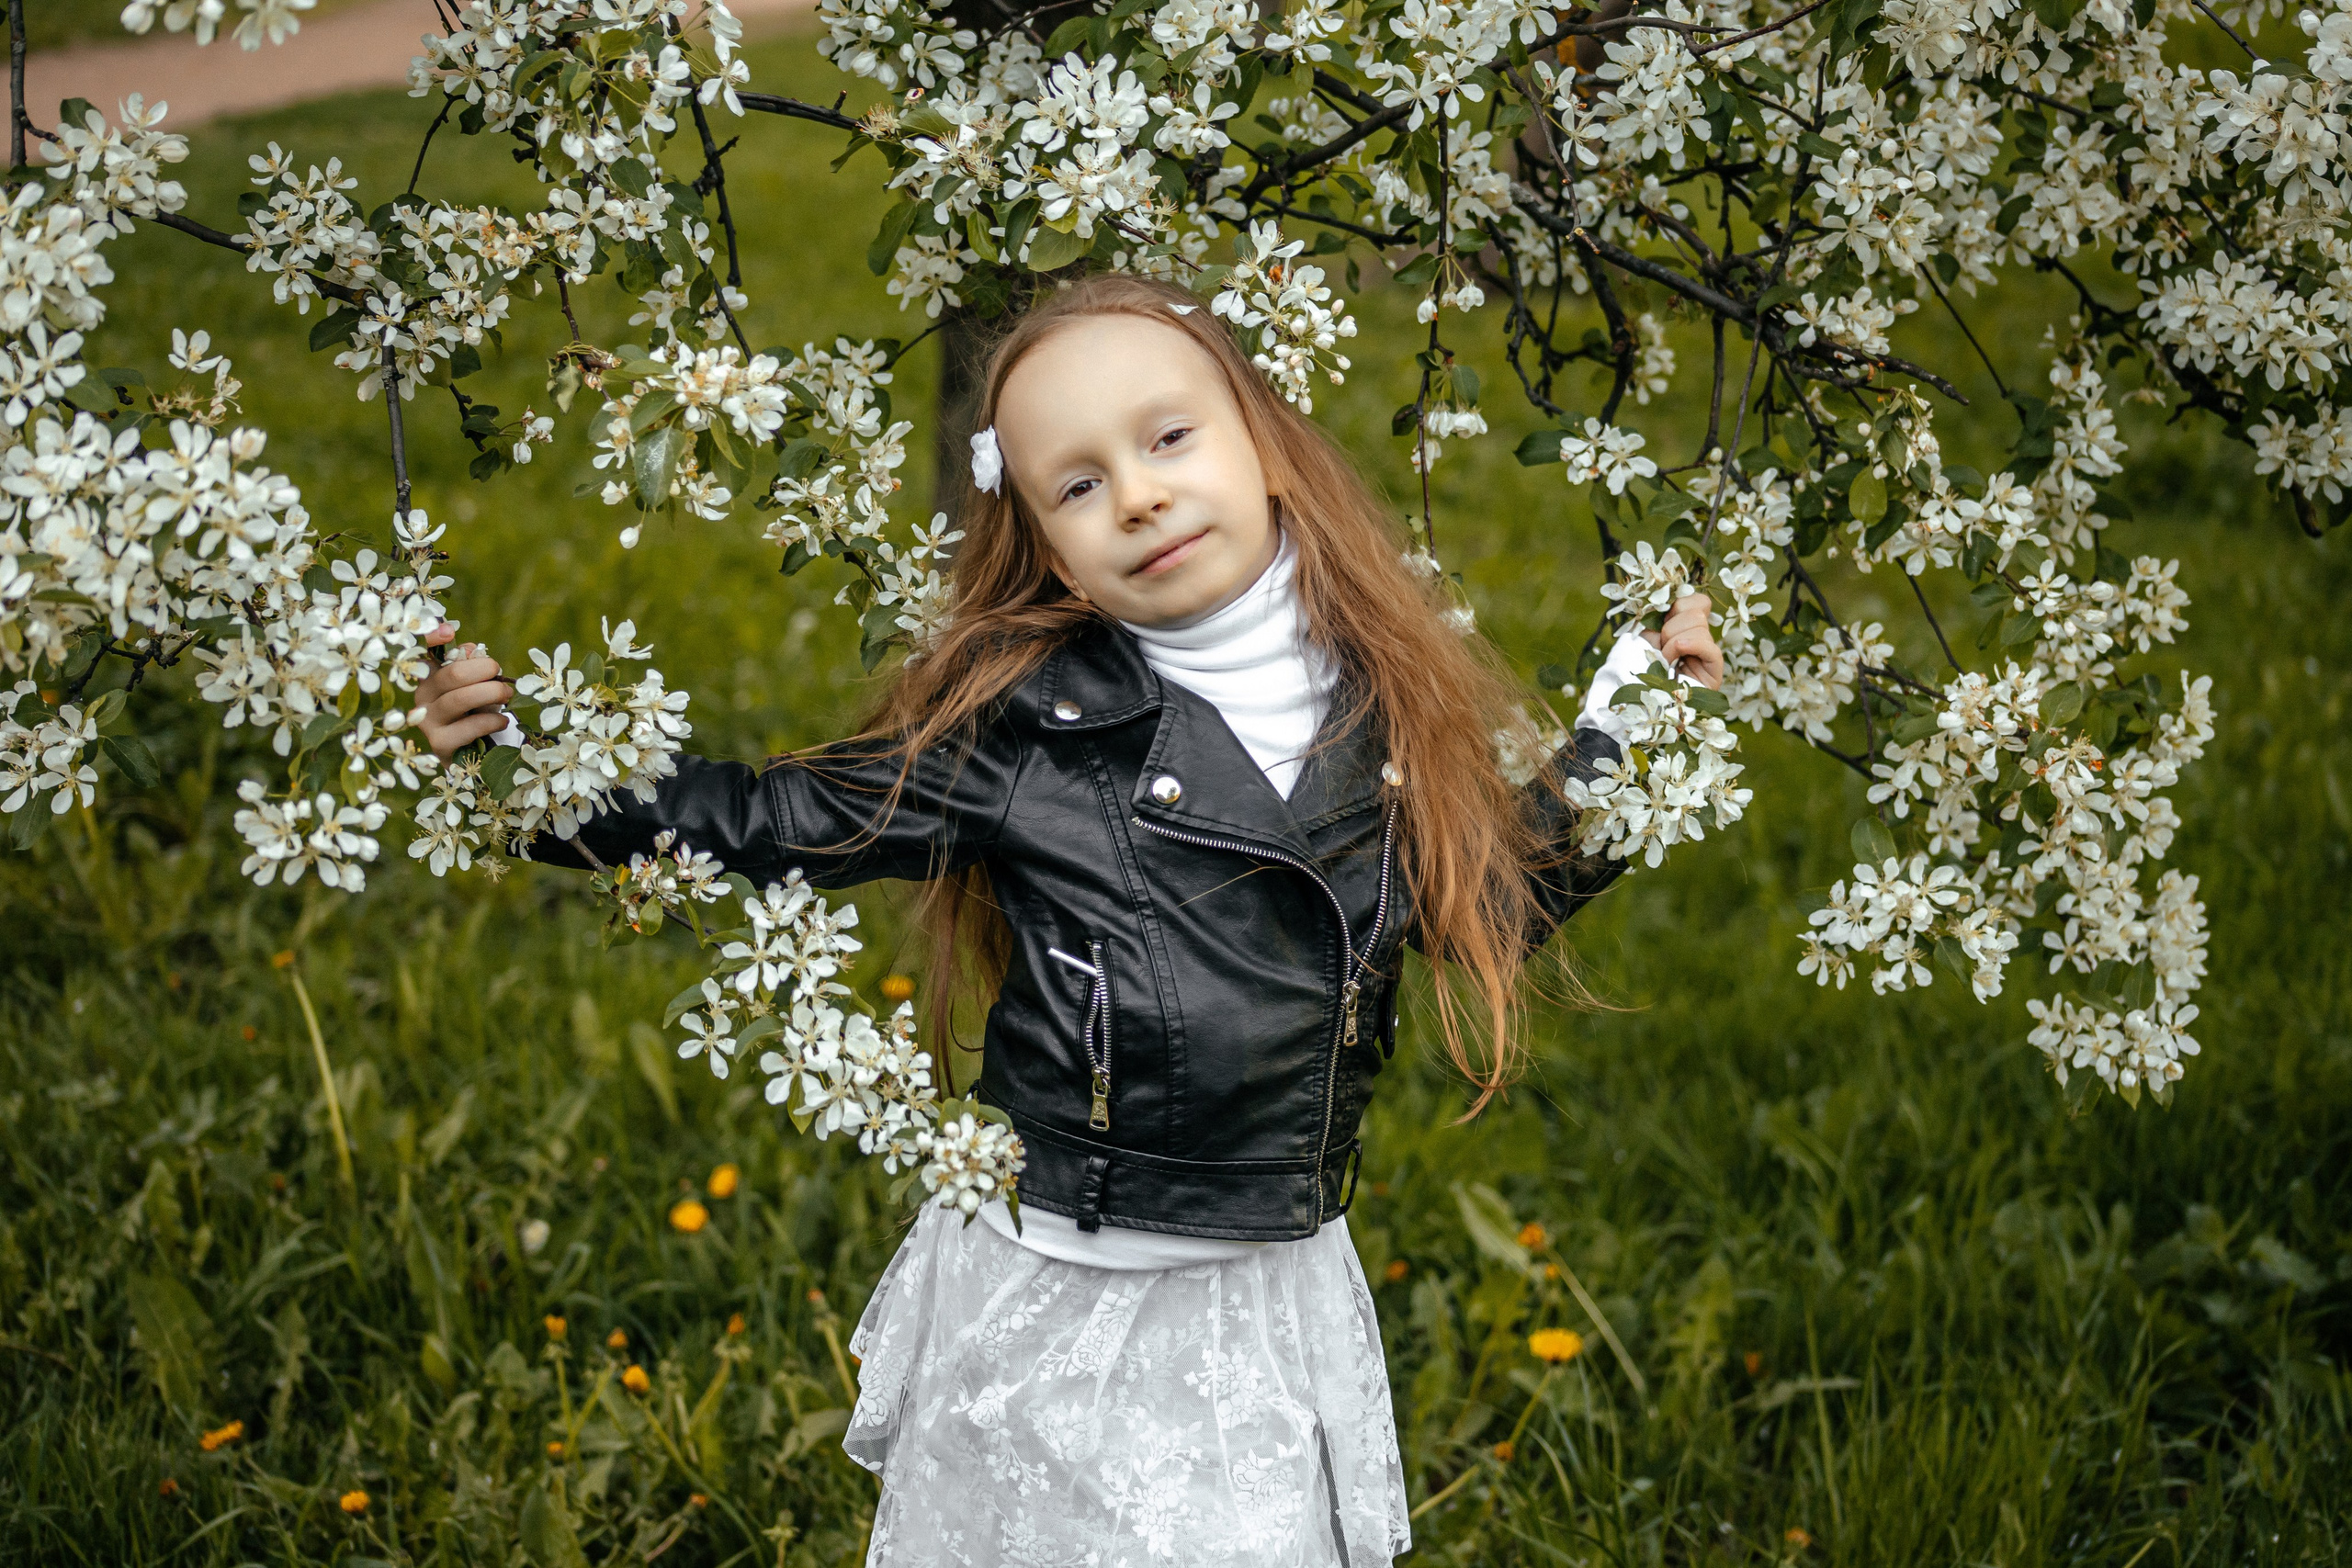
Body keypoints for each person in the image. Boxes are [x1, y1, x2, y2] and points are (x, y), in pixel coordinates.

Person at [412, 273, 1723, 1568]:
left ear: (1264, 445)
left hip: (1265, 1278)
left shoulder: (1378, 706)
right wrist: (532, 774)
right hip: (1068, 1277)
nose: (1139, 494)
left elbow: (1488, 898)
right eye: (1081, 485)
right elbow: (769, 819)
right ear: (1047, 549)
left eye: (1167, 439)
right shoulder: (1021, 735)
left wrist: (1640, 724)